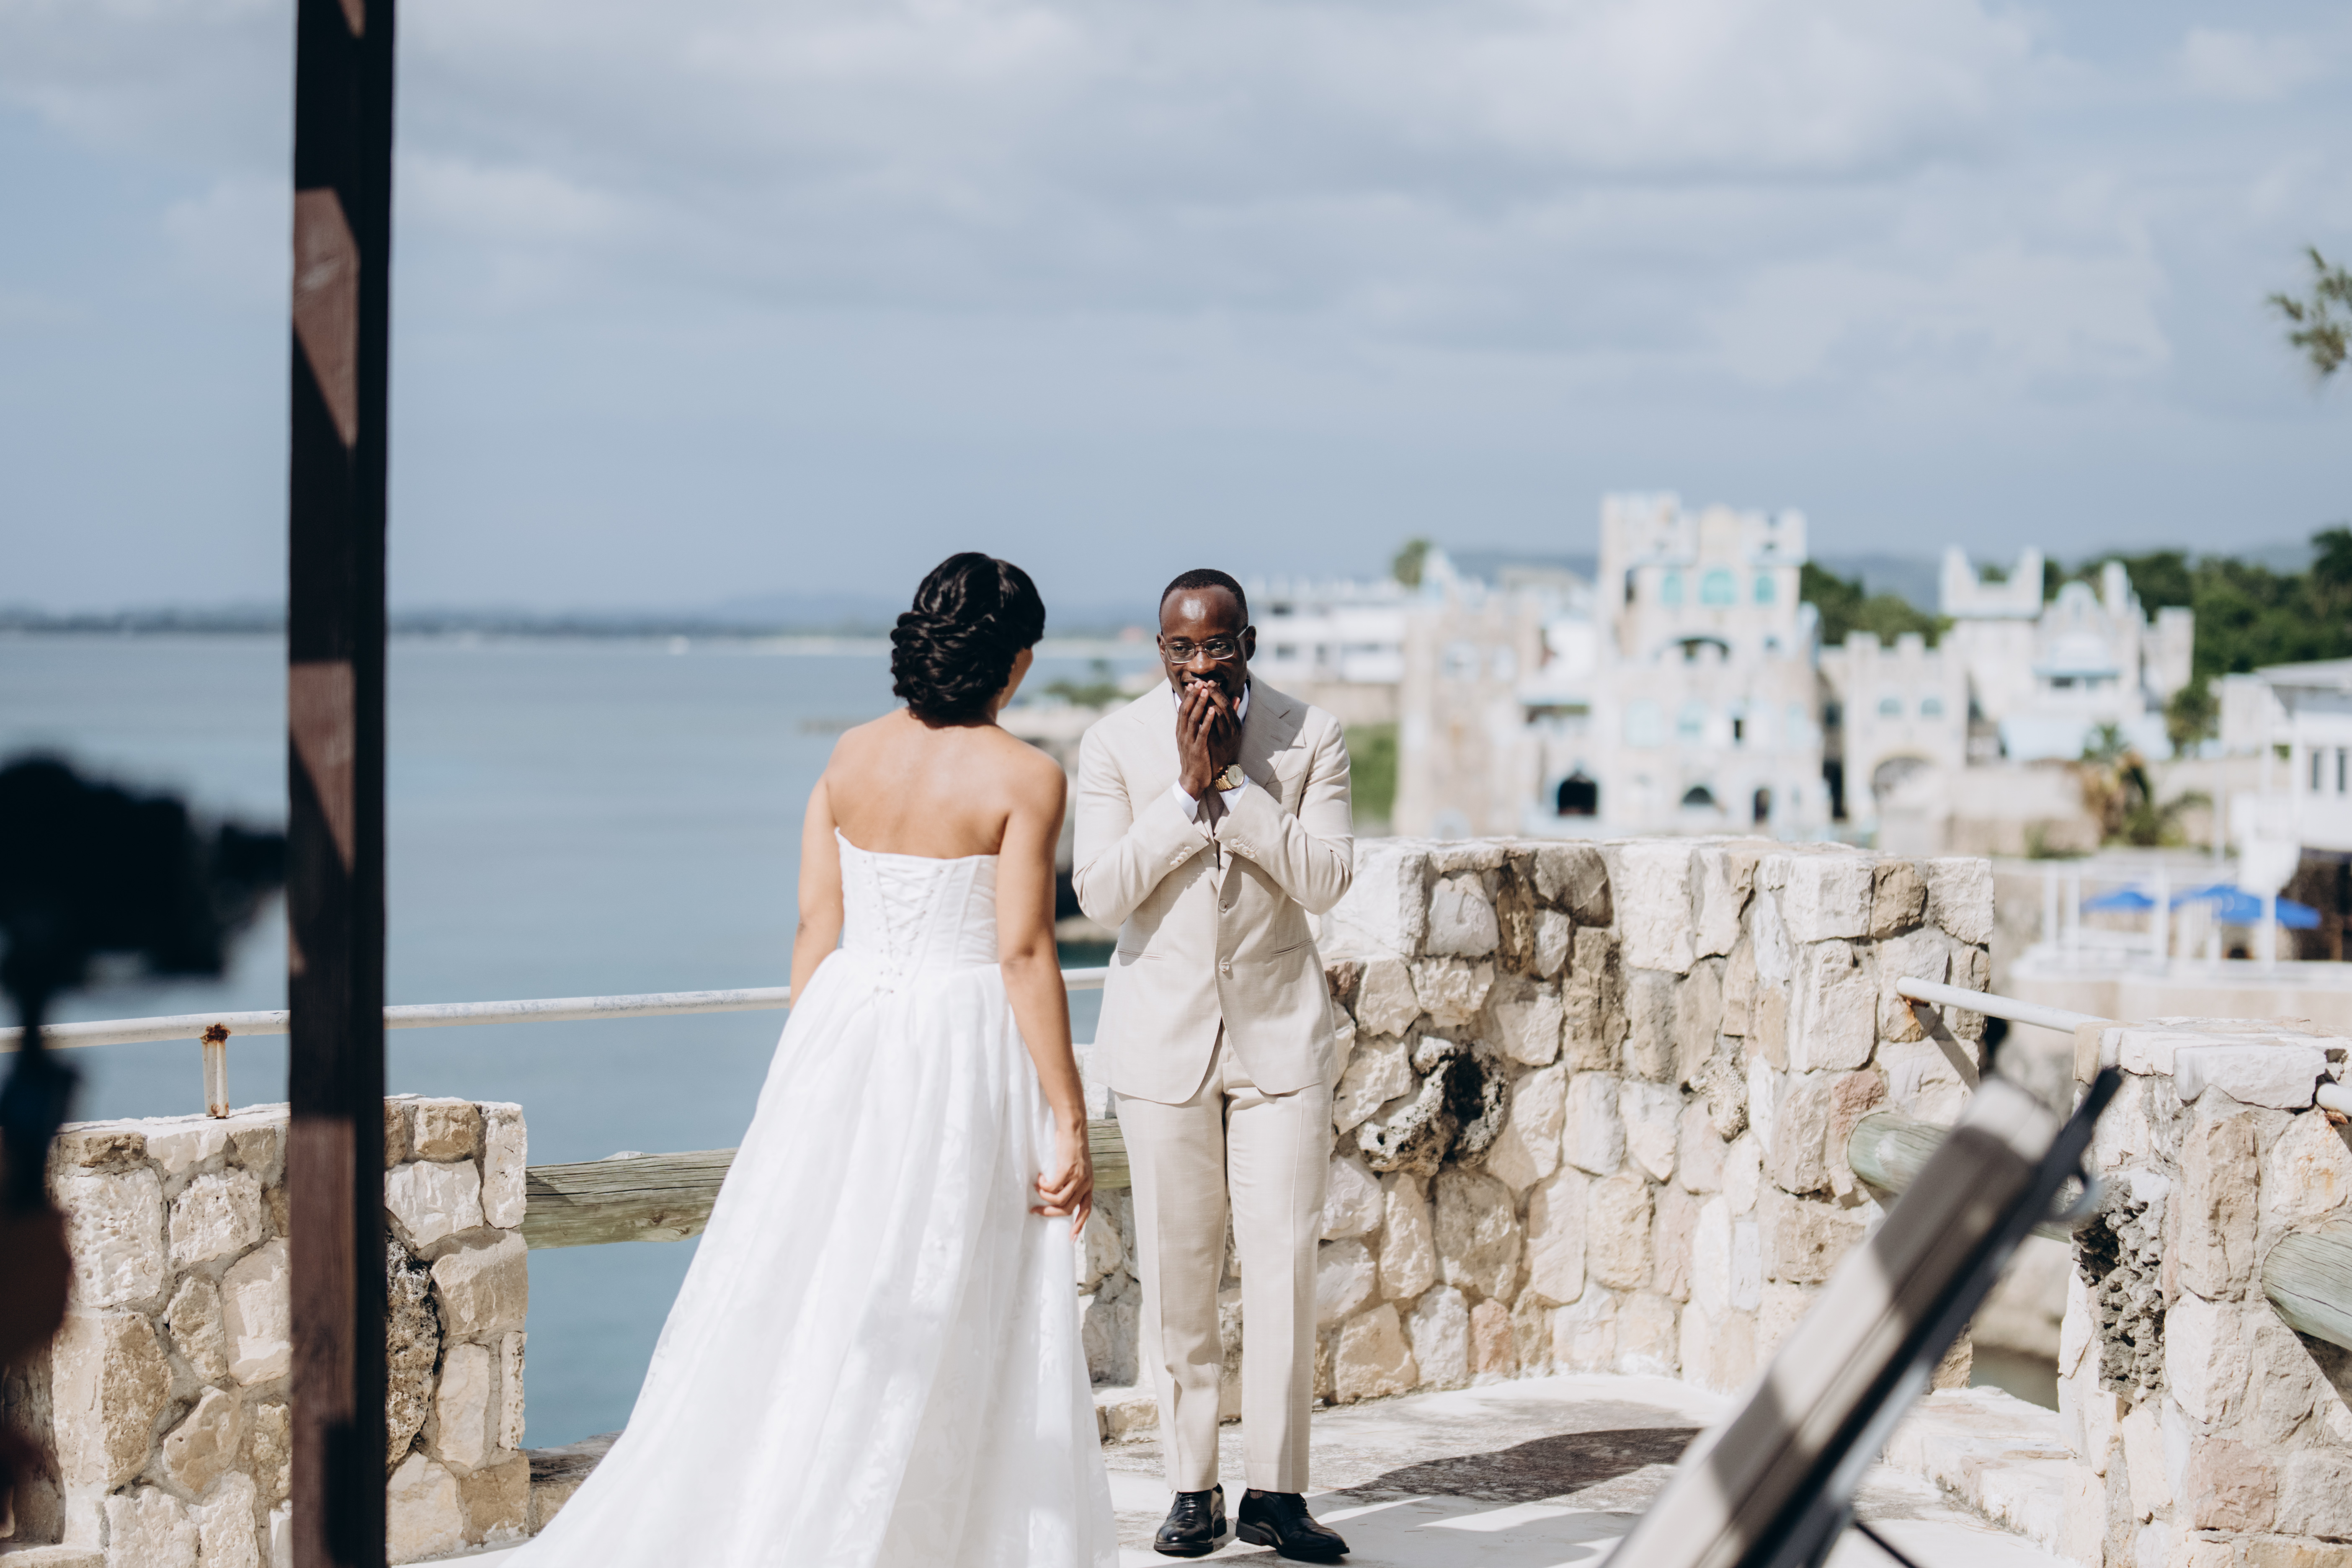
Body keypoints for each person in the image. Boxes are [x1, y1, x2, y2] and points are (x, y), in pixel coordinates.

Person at [508, 553, 1115, 1567]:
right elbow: (1022, 951)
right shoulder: (1028, 777)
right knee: (949, 1282)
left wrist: (812, 1065)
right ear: (1015, 661)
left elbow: (813, 924)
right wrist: (1072, 1116)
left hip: (844, 1027)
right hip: (961, 1045)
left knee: (820, 1281)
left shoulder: (849, 755)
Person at [1074, 569, 1354, 1562]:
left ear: (1248, 644)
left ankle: (1278, 1493)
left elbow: (1326, 880)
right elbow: (1101, 893)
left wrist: (1234, 786)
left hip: (1279, 1039)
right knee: (1179, 1274)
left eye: (1218, 645)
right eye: (1181, 649)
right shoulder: (1113, 743)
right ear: (1161, 651)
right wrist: (1184, 791)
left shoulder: (1311, 735)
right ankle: (1191, 1487)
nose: (1200, 666)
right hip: (1163, 1041)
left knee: (1282, 1267)